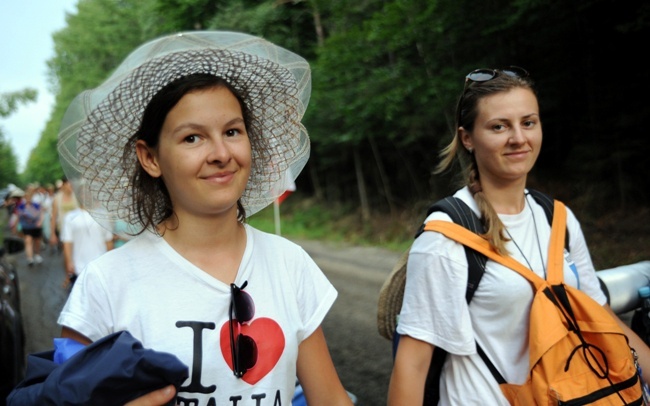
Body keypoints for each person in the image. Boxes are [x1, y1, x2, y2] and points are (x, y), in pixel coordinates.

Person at [56, 31, 352, 405]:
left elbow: (330, 399)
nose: (220, 153)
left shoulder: (290, 266)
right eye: (192, 138)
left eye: (232, 131)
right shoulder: (106, 285)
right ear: (149, 158)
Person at [387, 67, 650, 405]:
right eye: (499, 126)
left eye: (528, 122)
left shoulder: (557, 217)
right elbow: (412, 362)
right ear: (467, 138)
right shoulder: (446, 236)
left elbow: (603, 320)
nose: (518, 138)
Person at [60, 203, 113, 289]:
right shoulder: (70, 217)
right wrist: (69, 263)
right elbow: (67, 242)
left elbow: (109, 241)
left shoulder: (104, 216)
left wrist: (110, 264)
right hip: (79, 269)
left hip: (100, 268)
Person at [15, 187, 44, 266]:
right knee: (28, 241)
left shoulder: (36, 205)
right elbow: (18, 217)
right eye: (26, 197)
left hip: (36, 226)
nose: (28, 198)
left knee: (37, 241)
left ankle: (37, 254)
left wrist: (40, 222)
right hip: (26, 227)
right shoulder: (21, 206)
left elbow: (40, 214)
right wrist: (17, 227)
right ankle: (30, 258)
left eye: (29, 197)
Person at [50, 177, 79, 253]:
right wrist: (52, 234)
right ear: (64, 185)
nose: (72, 186)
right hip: (63, 228)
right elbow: (53, 217)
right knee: (66, 251)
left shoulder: (77, 196)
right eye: (69, 184)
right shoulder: (57, 198)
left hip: (77, 228)